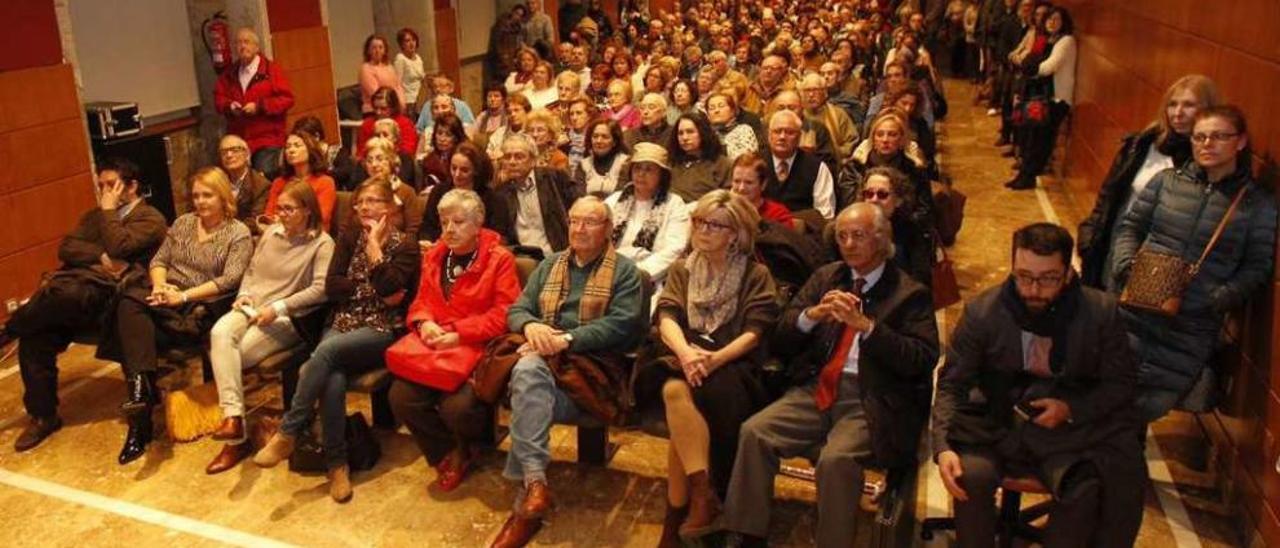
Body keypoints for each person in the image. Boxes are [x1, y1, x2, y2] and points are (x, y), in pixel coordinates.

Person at [722, 203, 940, 547]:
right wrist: (811, 316)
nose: (849, 244)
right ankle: (747, 534)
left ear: (883, 240)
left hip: (869, 397)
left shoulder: (909, 293)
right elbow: (780, 336)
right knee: (754, 432)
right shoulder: (828, 276)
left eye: (859, 235)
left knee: (835, 460)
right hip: (817, 386)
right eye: (842, 236)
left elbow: (922, 358)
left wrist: (868, 327)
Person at [932, 222, 1147, 547]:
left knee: (1086, 485)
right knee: (970, 476)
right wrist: (943, 447)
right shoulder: (983, 312)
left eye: (1048, 279)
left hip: (1064, 431)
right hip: (993, 421)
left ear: (1069, 273)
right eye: (1024, 276)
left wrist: (1072, 408)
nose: (1033, 290)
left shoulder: (1100, 313)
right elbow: (952, 383)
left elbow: (1121, 385)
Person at [491, 196, 646, 548]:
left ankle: (527, 503)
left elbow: (623, 326)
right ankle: (534, 488)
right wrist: (531, 327)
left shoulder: (625, 273)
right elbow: (517, 309)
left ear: (607, 230)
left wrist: (565, 340)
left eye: (590, 222)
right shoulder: (549, 266)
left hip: (595, 378)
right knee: (529, 372)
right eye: (574, 221)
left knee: (527, 380)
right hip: (548, 373)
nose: (579, 228)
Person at [254, 180, 422, 503]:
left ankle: (288, 431)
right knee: (331, 376)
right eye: (360, 202)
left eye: (373, 201)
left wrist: (374, 251)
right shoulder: (346, 239)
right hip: (342, 320)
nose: (365, 207)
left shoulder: (406, 246)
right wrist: (373, 288)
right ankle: (337, 464)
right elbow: (333, 287)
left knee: (324, 353)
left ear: (389, 208)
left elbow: (393, 297)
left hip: (382, 328)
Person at [1111, 106, 1278, 423]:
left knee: (1150, 405)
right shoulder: (1166, 182)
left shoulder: (1257, 203)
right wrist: (1125, 265)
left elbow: (1258, 265)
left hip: (1190, 325)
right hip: (1136, 306)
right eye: (1199, 137)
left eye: (1219, 136)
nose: (1207, 144)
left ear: (1240, 142)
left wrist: (1218, 297)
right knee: (1113, 395)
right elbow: (1131, 227)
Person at [634, 190, 778, 544]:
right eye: (699, 221)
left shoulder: (755, 274)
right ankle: (702, 495)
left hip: (734, 362)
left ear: (735, 234)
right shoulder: (685, 267)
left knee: (680, 399)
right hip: (685, 356)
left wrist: (713, 359)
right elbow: (666, 315)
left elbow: (755, 333)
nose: (704, 230)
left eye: (715, 225)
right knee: (673, 387)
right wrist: (685, 353)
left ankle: (678, 512)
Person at [6, 159, 167, 452]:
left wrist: (108, 212)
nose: (104, 192)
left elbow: (121, 247)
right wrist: (101, 256)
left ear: (131, 187)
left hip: (116, 300)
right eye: (101, 185)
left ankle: (9, 329)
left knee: (66, 295)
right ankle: (43, 416)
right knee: (36, 335)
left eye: (111, 185)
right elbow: (67, 247)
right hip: (77, 296)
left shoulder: (150, 218)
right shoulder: (94, 216)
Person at [97, 167, 253, 465]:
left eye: (207, 195)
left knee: (130, 323)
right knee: (130, 303)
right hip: (167, 299)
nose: (200, 201)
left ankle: (140, 411)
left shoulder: (238, 233)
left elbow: (229, 281)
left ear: (223, 197)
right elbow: (159, 260)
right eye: (196, 195)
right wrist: (159, 286)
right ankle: (142, 394)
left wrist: (182, 296)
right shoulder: (183, 223)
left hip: (199, 307)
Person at [391, 189, 522, 492]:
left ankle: (466, 448)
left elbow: (504, 314)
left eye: (459, 222)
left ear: (478, 224)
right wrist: (423, 323)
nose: (449, 229)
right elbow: (421, 300)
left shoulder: (499, 259)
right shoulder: (436, 254)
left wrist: (459, 333)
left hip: (479, 347)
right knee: (400, 396)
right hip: (438, 347)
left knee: (457, 408)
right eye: (444, 221)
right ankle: (448, 452)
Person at [204, 182, 334, 474]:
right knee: (218, 335)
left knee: (238, 354)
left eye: (289, 209)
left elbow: (321, 290)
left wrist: (278, 308)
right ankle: (234, 419)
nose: (282, 215)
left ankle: (236, 438)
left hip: (286, 317)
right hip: (252, 306)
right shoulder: (271, 233)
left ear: (306, 210)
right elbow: (251, 270)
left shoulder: (322, 243)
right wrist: (243, 295)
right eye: (279, 208)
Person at [1077, 75, 1222, 289]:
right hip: (1119, 241)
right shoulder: (1143, 144)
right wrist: (1088, 236)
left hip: (1164, 256)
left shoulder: (1208, 160)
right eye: (1173, 104)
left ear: (1208, 109)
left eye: (1189, 105)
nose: (1178, 113)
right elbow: (1109, 195)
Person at [1004, 6, 1076, 190]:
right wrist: (1030, 66)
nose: (1052, 22)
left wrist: (1031, 68)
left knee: (1041, 140)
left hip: (1055, 99)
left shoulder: (1066, 41)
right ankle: (1024, 175)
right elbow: (1029, 61)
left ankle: (1028, 177)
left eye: (1057, 19)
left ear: (1064, 22)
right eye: (1049, 19)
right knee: (1031, 137)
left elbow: (1047, 67)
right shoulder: (1044, 39)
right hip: (1039, 96)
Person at [604, 143, 690, 288]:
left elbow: (675, 248)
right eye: (637, 168)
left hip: (651, 279)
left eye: (649, 169)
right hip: (609, 272)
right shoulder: (614, 200)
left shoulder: (674, 204)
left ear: (662, 175)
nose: (641, 174)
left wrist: (636, 274)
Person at [214, 28, 295, 180]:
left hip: (267, 140)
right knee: (235, 180)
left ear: (256, 47)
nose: (242, 46)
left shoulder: (272, 70)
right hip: (239, 140)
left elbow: (287, 99)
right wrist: (230, 107)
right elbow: (218, 99)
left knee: (262, 178)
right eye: (238, 43)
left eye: (246, 42)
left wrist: (260, 107)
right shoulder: (229, 74)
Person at [488, 133, 580, 260]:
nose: (512, 162)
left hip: (560, 253)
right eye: (507, 157)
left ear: (533, 160)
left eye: (519, 157)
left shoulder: (555, 178)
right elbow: (500, 236)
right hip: (524, 258)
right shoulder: (500, 194)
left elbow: (579, 208)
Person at [838, 109, 932, 221]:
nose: (885, 140)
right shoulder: (855, 167)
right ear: (873, 139)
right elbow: (849, 205)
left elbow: (924, 210)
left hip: (904, 227)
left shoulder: (914, 169)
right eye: (880, 134)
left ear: (901, 139)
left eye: (892, 135)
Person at [860, 166, 933, 287]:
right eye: (869, 194)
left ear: (898, 200)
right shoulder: (846, 228)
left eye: (882, 194)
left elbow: (920, 279)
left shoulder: (912, 231)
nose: (874, 199)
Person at [763, 110, 836, 219]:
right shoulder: (755, 163)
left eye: (789, 132)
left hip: (802, 232)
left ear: (799, 136)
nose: (782, 137)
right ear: (769, 135)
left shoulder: (816, 167)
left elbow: (825, 214)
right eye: (777, 131)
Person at [419, 142, 494, 243]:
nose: (457, 174)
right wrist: (426, 241)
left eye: (464, 170)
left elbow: (493, 236)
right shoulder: (439, 191)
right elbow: (427, 226)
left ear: (476, 171)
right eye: (453, 168)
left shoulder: (493, 199)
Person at [263, 130, 338, 231]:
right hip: (280, 232)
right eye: (288, 147)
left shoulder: (325, 182)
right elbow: (269, 214)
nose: (291, 150)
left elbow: (321, 217)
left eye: (297, 146)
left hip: (312, 235)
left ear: (310, 149)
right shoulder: (279, 182)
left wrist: (285, 220)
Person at [362, 136, 422, 236]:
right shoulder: (361, 191)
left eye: (379, 159)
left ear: (391, 161)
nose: (374, 164)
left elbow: (413, 231)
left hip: (397, 247)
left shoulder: (406, 192)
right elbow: (347, 229)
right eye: (369, 160)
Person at [668, 113, 733, 203]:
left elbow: (727, 201)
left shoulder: (722, 164)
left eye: (690, 132)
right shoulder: (672, 163)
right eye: (680, 133)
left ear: (703, 133)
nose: (685, 137)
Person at [799, 72, 860, 163]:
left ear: (824, 93)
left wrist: (833, 152)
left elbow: (851, 141)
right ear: (802, 94)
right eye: (807, 91)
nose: (811, 95)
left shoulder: (838, 114)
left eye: (815, 90)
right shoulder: (797, 116)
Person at [216, 135, 272, 233]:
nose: (229, 155)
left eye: (235, 150)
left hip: (243, 236)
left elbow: (255, 220)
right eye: (224, 152)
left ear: (246, 154)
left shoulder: (261, 185)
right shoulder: (216, 181)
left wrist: (226, 231)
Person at [730, 152, 793, 227]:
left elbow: (780, 238)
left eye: (749, 182)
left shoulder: (778, 214)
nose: (741, 188)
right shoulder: (722, 212)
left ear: (763, 185)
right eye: (737, 181)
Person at [574, 118, 631, 197]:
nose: (599, 141)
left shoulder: (625, 163)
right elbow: (579, 197)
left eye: (605, 137)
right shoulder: (583, 165)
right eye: (595, 136)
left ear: (614, 142)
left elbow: (621, 197)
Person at [356, 87, 418, 158]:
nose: (378, 112)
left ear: (393, 107)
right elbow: (361, 152)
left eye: (383, 109)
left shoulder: (405, 124)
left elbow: (408, 151)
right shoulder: (367, 124)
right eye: (376, 108)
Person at [706, 92, 759, 162]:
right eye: (712, 108)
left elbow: (745, 159)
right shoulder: (706, 134)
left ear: (732, 111)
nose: (716, 110)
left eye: (721, 106)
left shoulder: (744, 130)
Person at [421, 113, 469, 188]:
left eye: (448, 135)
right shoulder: (429, 160)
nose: (442, 139)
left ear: (457, 137)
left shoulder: (465, 158)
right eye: (439, 133)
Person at [484, 93, 532, 160]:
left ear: (527, 111)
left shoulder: (534, 132)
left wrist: (504, 156)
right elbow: (488, 154)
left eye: (516, 110)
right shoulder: (499, 134)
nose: (512, 114)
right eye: (509, 112)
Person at [393, 28, 426, 117]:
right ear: (402, 44)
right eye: (407, 41)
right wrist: (401, 101)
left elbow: (422, 78)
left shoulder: (418, 58)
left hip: (420, 99)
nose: (411, 43)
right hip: (408, 101)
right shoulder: (400, 59)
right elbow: (397, 83)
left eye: (413, 40)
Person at [561, 98, 594, 169]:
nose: (574, 118)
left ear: (589, 115)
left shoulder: (595, 137)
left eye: (579, 113)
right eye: (571, 114)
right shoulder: (564, 138)